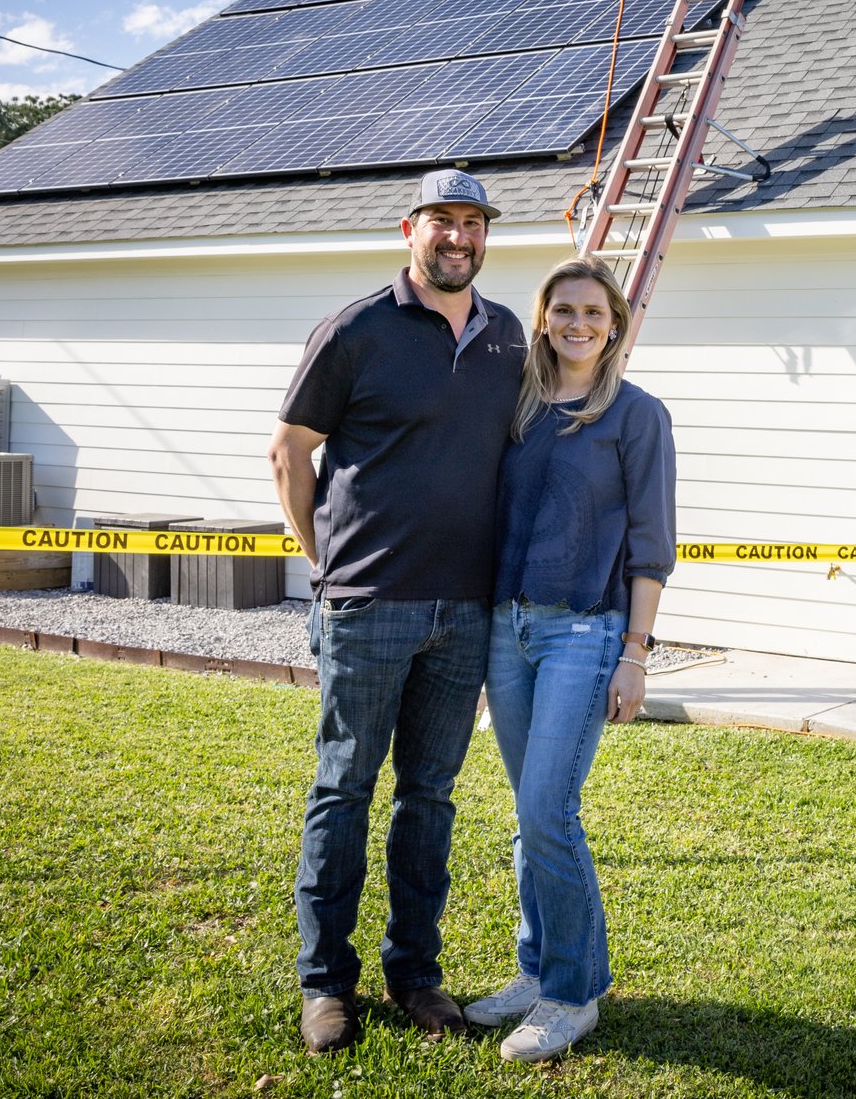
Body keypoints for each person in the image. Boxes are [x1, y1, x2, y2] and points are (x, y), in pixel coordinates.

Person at [268, 168, 526, 1055]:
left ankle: (415, 972)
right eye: (441, 222)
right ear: (407, 228)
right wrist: (320, 560)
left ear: (485, 236)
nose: (458, 236)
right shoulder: (356, 330)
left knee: (431, 797)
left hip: (464, 613)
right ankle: (324, 984)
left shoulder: (507, 336)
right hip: (367, 605)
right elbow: (289, 452)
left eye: (472, 223)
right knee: (344, 788)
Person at [464, 255, 676, 1063]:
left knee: (550, 809)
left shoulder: (635, 414)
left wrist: (636, 653)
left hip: (585, 632)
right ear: (544, 318)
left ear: (615, 322)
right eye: (563, 311)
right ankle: (534, 969)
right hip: (507, 629)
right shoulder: (518, 406)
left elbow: (653, 546)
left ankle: (574, 992)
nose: (578, 324)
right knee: (528, 811)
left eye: (594, 311)